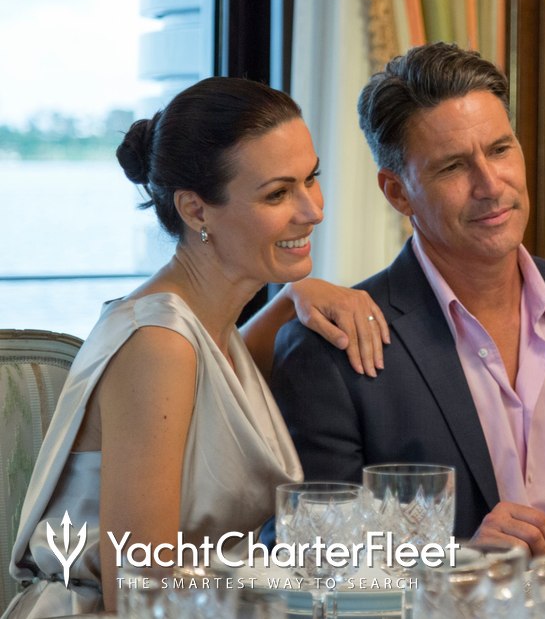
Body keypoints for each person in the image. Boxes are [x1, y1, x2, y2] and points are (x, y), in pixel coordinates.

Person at [271, 42, 545, 557]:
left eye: (500, 150)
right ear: (397, 193)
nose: (490, 185)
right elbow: (314, 554)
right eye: (453, 166)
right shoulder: (332, 347)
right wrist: (458, 557)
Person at [4, 78, 387, 618]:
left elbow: (219, 402)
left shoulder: (208, 325)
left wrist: (292, 299)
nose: (312, 210)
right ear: (196, 210)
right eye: (277, 194)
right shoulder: (157, 345)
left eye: (311, 179)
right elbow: (139, 592)